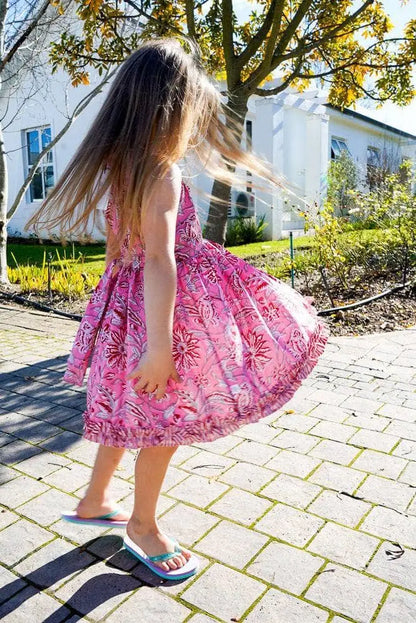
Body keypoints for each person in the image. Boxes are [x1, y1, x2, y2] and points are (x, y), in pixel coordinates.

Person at [26, 38, 329, 581]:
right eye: (192, 106)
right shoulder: (161, 172)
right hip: (161, 320)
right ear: (173, 108)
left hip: (128, 312)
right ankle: (142, 525)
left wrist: (118, 326)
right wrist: (161, 347)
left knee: (130, 414)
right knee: (162, 424)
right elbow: (161, 260)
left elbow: (125, 253)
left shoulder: (125, 166)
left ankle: (95, 501)